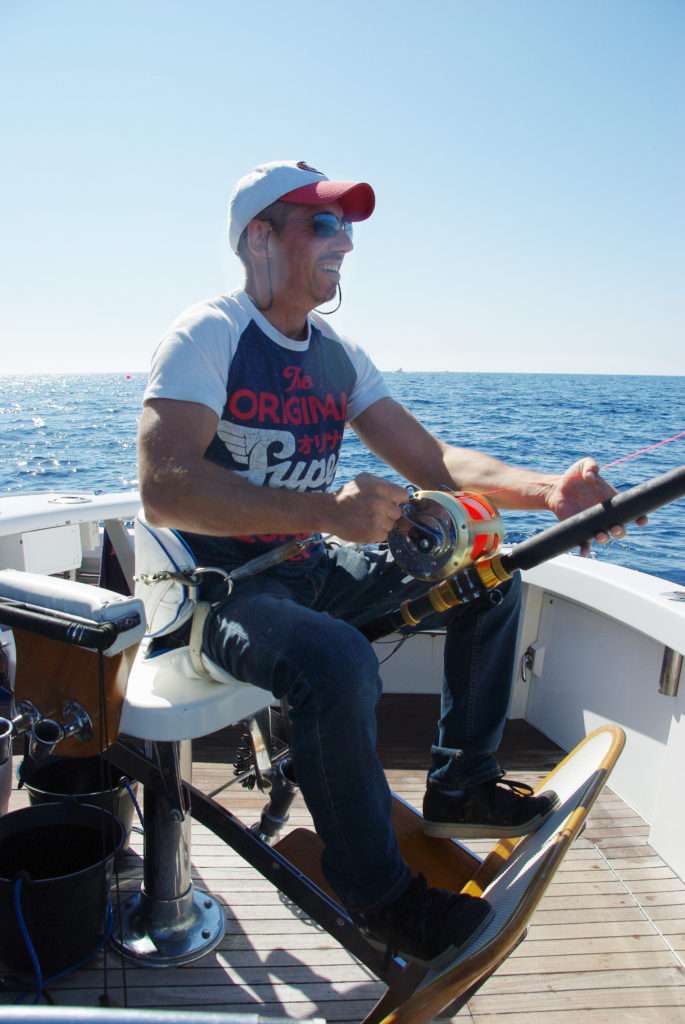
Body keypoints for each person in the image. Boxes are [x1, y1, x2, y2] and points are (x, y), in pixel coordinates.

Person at [138, 159, 630, 967]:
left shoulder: (335, 351)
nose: (345, 245)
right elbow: (166, 488)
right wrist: (323, 513)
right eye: (322, 225)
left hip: (307, 570)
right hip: (217, 596)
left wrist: (548, 491)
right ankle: (378, 898)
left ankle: (459, 785)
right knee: (332, 660)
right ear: (258, 239)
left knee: (487, 576)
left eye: (347, 228)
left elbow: (430, 457)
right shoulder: (210, 333)